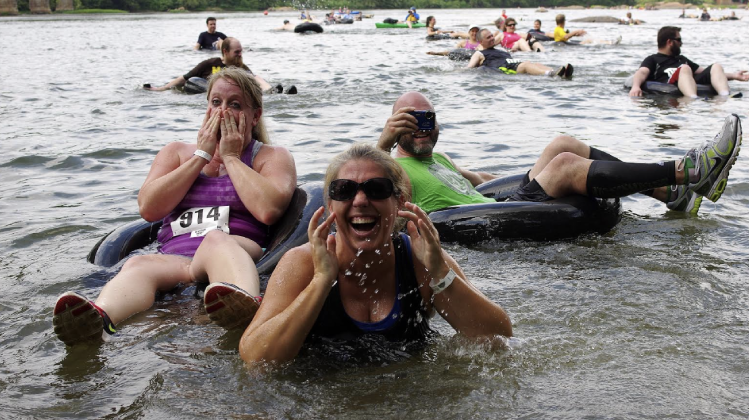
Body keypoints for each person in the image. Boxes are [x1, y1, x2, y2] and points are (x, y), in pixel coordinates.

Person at [53, 68, 298, 346]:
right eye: (215, 102)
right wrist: (201, 156)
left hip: (233, 247)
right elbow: (149, 209)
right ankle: (99, 320)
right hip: (177, 258)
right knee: (139, 263)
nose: (222, 112)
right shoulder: (177, 153)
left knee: (216, 240)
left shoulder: (271, 156)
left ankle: (244, 304)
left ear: (255, 116)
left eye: (235, 105)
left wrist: (231, 157)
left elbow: (269, 210)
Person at [238, 143, 513, 366]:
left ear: (399, 202)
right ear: (330, 204)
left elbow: (497, 338)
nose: (360, 201)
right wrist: (321, 281)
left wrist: (440, 272)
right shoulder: (303, 262)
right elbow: (254, 358)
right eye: (344, 190)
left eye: (377, 189)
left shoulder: (422, 261)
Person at [376, 91, 742, 217]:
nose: (422, 127)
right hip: (480, 220)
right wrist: (385, 142)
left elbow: (485, 182)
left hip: (500, 203)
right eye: (410, 120)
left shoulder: (439, 159)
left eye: (428, 119)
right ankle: (689, 171)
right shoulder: (391, 170)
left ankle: (671, 195)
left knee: (561, 145)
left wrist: (538, 176)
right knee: (566, 166)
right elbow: (364, 189)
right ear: (394, 126)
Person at [629, 26, 749, 98]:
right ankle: (692, 98)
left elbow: (708, 73)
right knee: (685, 68)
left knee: (716, 66)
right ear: (669, 42)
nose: (681, 43)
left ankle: (724, 95)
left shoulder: (682, 59)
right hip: (670, 84)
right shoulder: (653, 59)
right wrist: (635, 87)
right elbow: (641, 72)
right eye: (679, 40)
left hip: (688, 80)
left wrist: (735, 76)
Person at [146, 37, 277, 94]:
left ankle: (272, 90)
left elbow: (254, 78)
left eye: (241, 51)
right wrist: (161, 88)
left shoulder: (241, 67)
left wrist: (267, 89)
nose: (240, 55)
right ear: (225, 51)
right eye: (237, 52)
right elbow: (184, 78)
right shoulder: (209, 64)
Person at [468, 28, 572, 78]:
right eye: (488, 37)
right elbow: (469, 68)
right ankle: (551, 74)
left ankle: (558, 72)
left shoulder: (500, 50)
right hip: (506, 70)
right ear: (481, 41)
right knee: (526, 65)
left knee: (533, 63)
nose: (492, 38)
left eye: (492, 36)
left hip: (514, 65)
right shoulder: (479, 53)